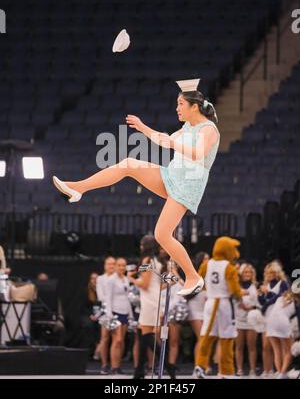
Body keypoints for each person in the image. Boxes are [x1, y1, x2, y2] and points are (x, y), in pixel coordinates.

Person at [52, 79, 220, 297]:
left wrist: (172, 143)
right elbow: (163, 140)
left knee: (162, 234)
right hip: (172, 175)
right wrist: (143, 128)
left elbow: (198, 153)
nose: (177, 108)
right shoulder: (188, 127)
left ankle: (193, 276)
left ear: (194, 107)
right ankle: (78, 188)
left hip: (189, 183)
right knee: (129, 164)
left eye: (180, 104)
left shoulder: (209, 129)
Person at [194, 236, 246, 379]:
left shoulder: (207, 264)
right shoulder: (229, 267)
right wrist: (241, 296)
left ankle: (200, 365)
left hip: (210, 302)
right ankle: (227, 371)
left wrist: (209, 289)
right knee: (227, 337)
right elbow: (234, 289)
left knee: (207, 336)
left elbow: (198, 281)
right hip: (224, 304)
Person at [127, 235, 163, 379]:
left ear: (145, 246)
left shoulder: (147, 260)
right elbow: (152, 280)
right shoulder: (156, 261)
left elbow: (145, 284)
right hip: (153, 298)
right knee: (143, 334)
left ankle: (165, 361)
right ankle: (139, 370)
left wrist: (130, 278)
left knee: (146, 335)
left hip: (149, 300)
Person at [104, 257, 133, 374]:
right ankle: (113, 366)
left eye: (123, 265)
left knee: (122, 341)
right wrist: (109, 314)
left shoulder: (126, 279)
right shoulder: (111, 280)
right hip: (115, 312)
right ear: (115, 266)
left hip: (125, 311)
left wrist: (130, 314)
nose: (121, 268)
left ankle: (118, 365)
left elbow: (128, 297)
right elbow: (108, 298)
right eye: (119, 265)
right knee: (117, 340)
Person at [235, 263, 258, 377]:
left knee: (252, 346)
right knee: (239, 346)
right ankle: (239, 369)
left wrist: (251, 307)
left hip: (252, 320)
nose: (247, 274)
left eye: (249, 272)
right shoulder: (236, 286)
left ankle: (252, 370)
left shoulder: (255, 286)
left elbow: (259, 303)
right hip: (239, 319)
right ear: (241, 273)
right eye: (245, 272)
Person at [96, 256, 116, 374]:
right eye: (109, 264)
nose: (111, 266)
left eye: (113, 264)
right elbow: (101, 296)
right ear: (105, 265)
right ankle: (104, 364)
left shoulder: (119, 278)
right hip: (105, 311)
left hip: (118, 310)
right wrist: (109, 305)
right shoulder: (100, 279)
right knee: (105, 337)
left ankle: (115, 365)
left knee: (117, 339)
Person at [79, 271, 101, 357]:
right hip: (88, 314)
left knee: (101, 326)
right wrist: (90, 315)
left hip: (100, 315)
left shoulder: (102, 291)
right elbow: (83, 307)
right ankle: (90, 349)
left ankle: (99, 347)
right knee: (89, 325)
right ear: (90, 280)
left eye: (96, 278)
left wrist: (98, 315)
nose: (95, 280)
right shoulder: (86, 291)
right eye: (93, 278)